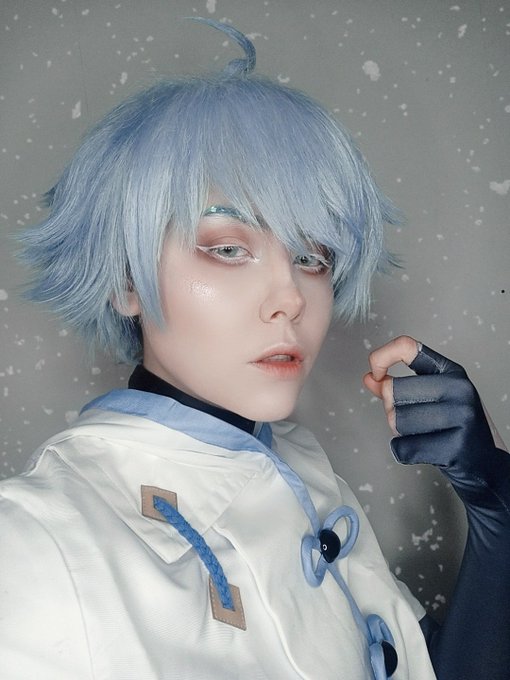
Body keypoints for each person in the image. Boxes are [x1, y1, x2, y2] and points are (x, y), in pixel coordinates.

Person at [1, 19, 508, 680]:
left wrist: (497, 509)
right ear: (126, 281)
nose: (291, 297)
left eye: (312, 257)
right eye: (228, 248)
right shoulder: (35, 538)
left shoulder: (304, 466)